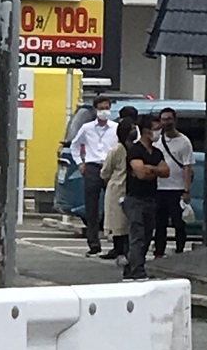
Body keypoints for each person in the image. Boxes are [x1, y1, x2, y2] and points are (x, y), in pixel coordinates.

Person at [123, 114, 169, 281]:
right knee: (138, 235)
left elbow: (166, 171)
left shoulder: (156, 152)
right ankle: (138, 270)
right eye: (156, 129)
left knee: (148, 234)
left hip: (151, 197)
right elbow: (141, 173)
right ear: (146, 130)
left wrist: (151, 169)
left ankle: (130, 266)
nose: (158, 132)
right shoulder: (135, 150)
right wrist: (153, 170)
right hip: (135, 198)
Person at [70, 96, 118, 256]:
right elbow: (75, 145)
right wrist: (80, 163)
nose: (104, 111)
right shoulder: (87, 128)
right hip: (92, 167)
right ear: (96, 110)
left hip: (110, 167)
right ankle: (94, 244)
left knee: (114, 205)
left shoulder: (115, 128)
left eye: (107, 108)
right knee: (91, 207)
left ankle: (117, 243)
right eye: (101, 108)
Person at [154, 107, 194, 258]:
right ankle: (159, 251)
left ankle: (180, 251)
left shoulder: (184, 142)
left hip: (177, 188)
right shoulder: (157, 140)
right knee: (160, 223)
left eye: (169, 119)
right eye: (163, 119)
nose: (166, 122)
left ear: (175, 120)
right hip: (159, 188)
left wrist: (186, 190)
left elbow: (187, 167)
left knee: (179, 222)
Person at [99, 118, 135, 261]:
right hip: (117, 188)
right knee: (117, 220)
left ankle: (125, 248)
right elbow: (105, 171)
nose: (135, 131)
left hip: (130, 189)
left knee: (126, 221)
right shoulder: (116, 150)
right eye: (132, 129)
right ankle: (118, 248)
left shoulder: (134, 148)